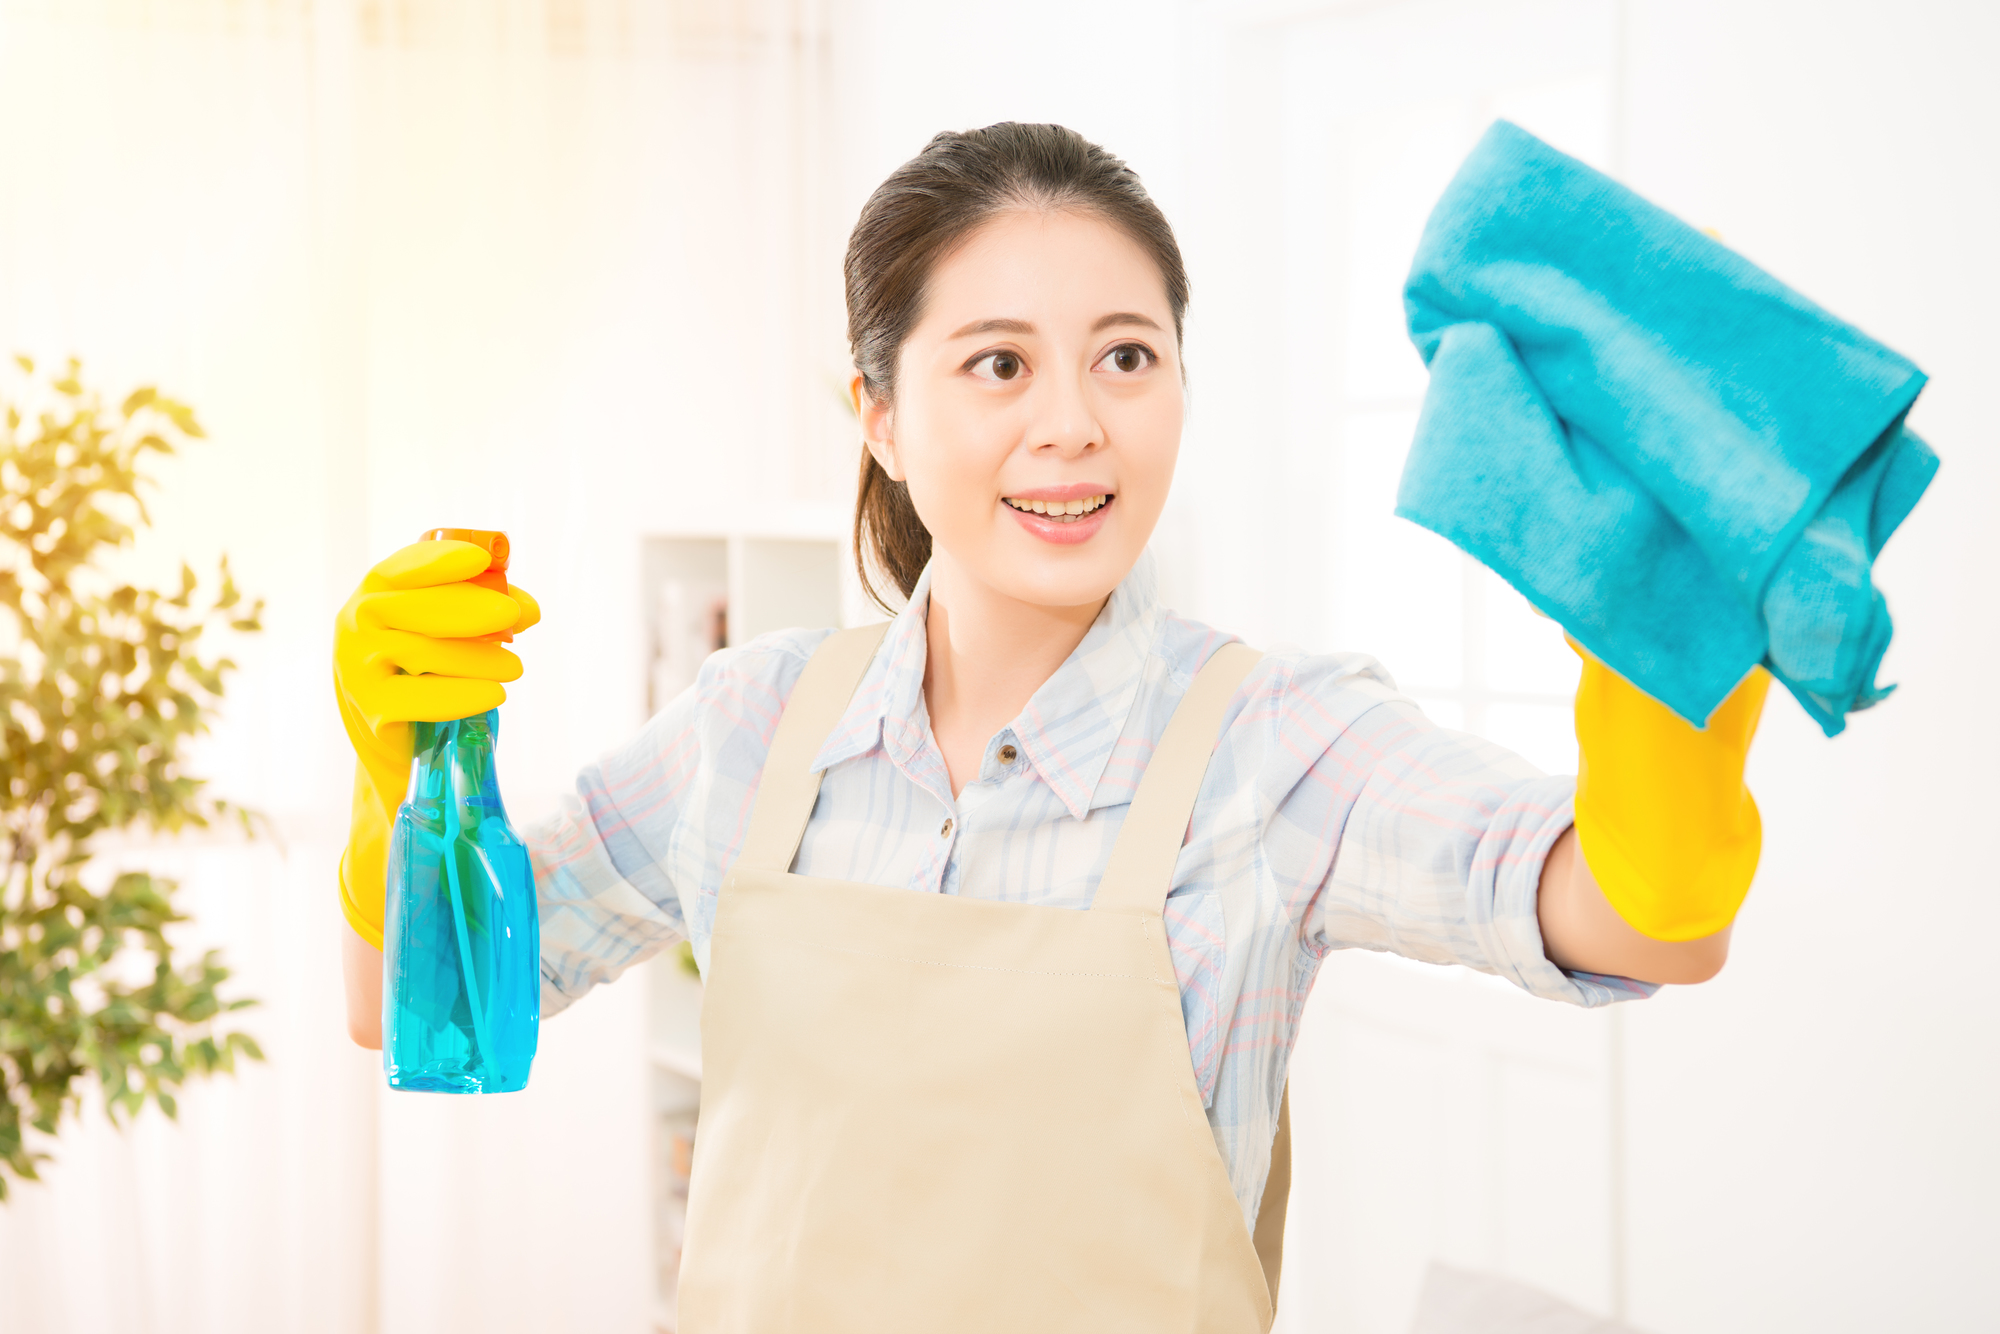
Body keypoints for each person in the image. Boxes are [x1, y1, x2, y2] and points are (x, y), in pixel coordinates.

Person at [331, 123, 1762, 1332]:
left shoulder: (1271, 747)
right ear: (879, 415)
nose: (1075, 423)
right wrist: (396, 783)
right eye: (999, 364)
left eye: (1127, 357)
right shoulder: (749, 726)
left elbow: (1631, 920)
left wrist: (1667, 717)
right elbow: (418, 995)